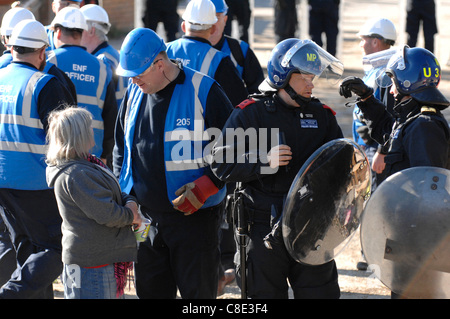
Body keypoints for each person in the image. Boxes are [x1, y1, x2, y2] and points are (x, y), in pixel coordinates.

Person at [211, 39, 344, 299]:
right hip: (262, 230)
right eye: (304, 76)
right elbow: (220, 162)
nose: (311, 83)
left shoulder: (322, 116)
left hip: (311, 226)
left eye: (312, 76)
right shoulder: (252, 113)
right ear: (282, 76)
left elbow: (341, 168)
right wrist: (263, 160)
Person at [113, 27, 233, 299]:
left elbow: (235, 148)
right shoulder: (133, 95)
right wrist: (125, 196)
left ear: (159, 64)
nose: (133, 82)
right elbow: (121, 149)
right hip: (145, 221)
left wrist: (208, 185)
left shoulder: (204, 90)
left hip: (195, 220)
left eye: (138, 75)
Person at [340, 45, 450, 299]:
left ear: (409, 83)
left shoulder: (424, 125)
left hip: (419, 243)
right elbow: (389, 132)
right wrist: (367, 99)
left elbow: (429, 191)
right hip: (408, 235)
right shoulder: (412, 121)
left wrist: (419, 246)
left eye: (395, 83)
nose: (391, 90)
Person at [0, 19, 75, 299]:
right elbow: (65, 140)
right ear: (43, 53)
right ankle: (10, 293)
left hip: (3, 183)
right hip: (35, 183)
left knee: (27, 249)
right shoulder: (45, 84)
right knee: (58, 248)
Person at [45, 107, 141, 299]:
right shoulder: (77, 174)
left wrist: (130, 202)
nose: (93, 130)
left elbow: (114, 193)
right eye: (89, 127)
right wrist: (131, 213)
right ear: (78, 134)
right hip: (94, 266)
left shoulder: (86, 164)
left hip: (92, 262)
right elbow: (109, 214)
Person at [352, 17, 397, 271]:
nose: (361, 44)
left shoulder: (383, 74)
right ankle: (371, 252)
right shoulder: (374, 69)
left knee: (377, 203)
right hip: (366, 149)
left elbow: (389, 120)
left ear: (376, 41)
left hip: (375, 151)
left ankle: (377, 256)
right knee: (368, 201)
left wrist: (381, 151)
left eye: (364, 39)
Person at [47, 6, 118, 164]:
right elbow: (111, 114)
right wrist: (106, 154)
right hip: (93, 152)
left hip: (59, 151)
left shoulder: (48, 61)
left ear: (57, 32)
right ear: (82, 32)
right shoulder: (101, 67)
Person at [166, 0, 248, 107]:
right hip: (203, 124)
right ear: (213, 29)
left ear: (183, 26)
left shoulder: (164, 52)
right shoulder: (220, 60)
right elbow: (239, 105)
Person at [210, 0, 264, 95]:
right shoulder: (180, 51)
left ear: (224, 19)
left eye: (217, 17)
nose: (212, 24)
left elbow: (258, 90)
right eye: (208, 19)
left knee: (244, 28)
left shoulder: (240, 50)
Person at [80, 4, 128, 108]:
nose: (76, 33)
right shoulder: (112, 53)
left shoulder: (102, 60)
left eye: (79, 29)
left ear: (91, 30)